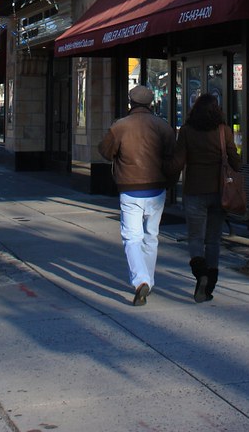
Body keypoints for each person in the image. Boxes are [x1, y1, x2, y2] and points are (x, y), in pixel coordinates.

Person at [98, 85, 175, 306]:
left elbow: (105, 151)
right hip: (157, 189)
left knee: (132, 237)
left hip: (130, 189)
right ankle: (148, 281)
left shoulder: (120, 127)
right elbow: (172, 156)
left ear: (131, 103)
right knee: (151, 236)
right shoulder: (163, 127)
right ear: (151, 103)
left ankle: (140, 280)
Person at [167, 93, 241, 303]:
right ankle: (211, 282)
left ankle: (200, 274)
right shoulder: (224, 131)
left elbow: (178, 162)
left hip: (193, 191)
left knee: (195, 237)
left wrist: (164, 171)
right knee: (213, 240)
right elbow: (236, 163)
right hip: (219, 192)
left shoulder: (187, 132)